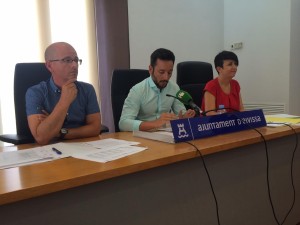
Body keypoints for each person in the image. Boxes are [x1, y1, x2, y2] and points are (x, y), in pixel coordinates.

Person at [26, 42, 101, 145]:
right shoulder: (35, 93)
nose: (74, 65)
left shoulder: (87, 89)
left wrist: (61, 132)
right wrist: (64, 101)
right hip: (49, 151)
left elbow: (95, 128)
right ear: (49, 66)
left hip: (82, 146)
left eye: (76, 60)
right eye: (67, 60)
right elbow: (41, 137)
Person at [119, 48, 195, 131]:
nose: (166, 77)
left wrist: (184, 117)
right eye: (161, 72)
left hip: (166, 134)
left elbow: (180, 113)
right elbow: (123, 123)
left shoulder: (174, 87)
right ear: (151, 69)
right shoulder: (138, 90)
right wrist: (155, 123)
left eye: (169, 72)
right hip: (142, 136)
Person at [201, 50, 244, 115]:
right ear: (219, 69)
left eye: (235, 64)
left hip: (234, 123)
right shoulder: (211, 86)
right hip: (213, 123)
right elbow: (209, 113)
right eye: (230, 64)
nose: (234, 67)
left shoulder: (235, 84)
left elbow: (241, 109)